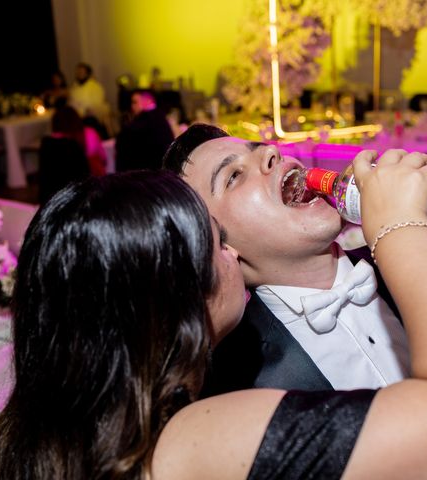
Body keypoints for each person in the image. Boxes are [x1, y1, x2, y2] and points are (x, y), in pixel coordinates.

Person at [0, 166, 427, 479]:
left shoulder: (55, 442)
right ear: (167, 299)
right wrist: (402, 226)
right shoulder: (191, 443)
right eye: (213, 242)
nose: (228, 256)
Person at [163, 125, 409, 395]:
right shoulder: (241, 387)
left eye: (260, 149)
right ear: (217, 246)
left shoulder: (406, 264)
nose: (271, 152)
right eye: (233, 176)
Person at [114, 89, 174, 171]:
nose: (132, 106)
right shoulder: (158, 116)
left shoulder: (146, 119)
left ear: (148, 101)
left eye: (135, 102)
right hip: (159, 170)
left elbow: (122, 141)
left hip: (145, 172)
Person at [69, 62, 112, 139]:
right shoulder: (74, 88)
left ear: (87, 74)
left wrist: (89, 110)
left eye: (81, 72)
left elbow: (99, 104)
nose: (79, 74)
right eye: (77, 72)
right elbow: (71, 102)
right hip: (77, 118)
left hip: (91, 118)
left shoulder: (95, 86)